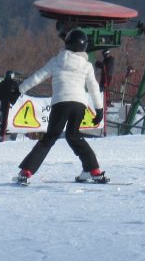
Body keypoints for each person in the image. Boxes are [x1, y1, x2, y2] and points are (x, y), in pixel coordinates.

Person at [14, 28, 107, 185]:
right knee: (74, 136)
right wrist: (99, 109)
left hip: (61, 103)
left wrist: (19, 89)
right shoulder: (86, 65)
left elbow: (38, 76)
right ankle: (94, 171)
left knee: (50, 137)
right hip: (79, 105)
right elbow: (93, 87)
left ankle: (26, 172)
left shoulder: (57, 60)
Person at [0, 70, 21, 142]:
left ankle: (2, 135)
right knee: (11, 120)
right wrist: (13, 100)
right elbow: (18, 93)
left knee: (4, 120)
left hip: (4, 104)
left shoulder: (2, 83)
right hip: (12, 105)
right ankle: (9, 136)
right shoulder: (14, 84)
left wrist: (3, 98)